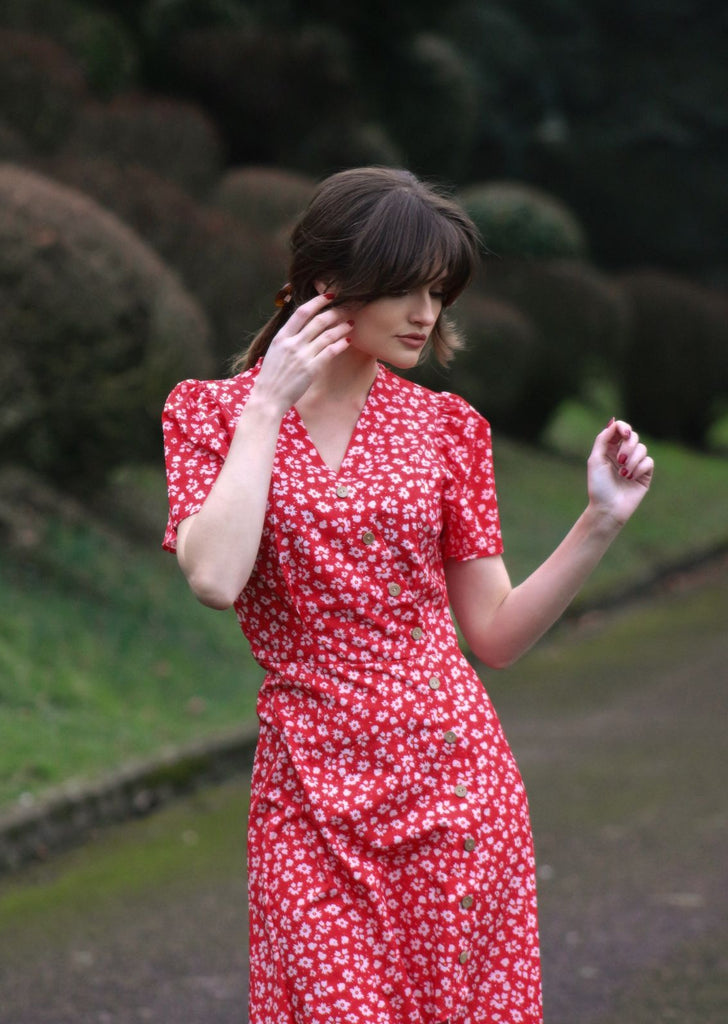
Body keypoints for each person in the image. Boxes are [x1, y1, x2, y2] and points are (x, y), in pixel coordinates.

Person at [161, 166, 653, 1024]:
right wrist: (267, 408)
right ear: (330, 283)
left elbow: (492, 635)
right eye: (407, 290)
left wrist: (599, 523)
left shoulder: (446, 431)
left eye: (440, 291)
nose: (429, 313)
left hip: (452, 780)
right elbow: (213, 576)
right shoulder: (211, 416)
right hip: (308, 792)